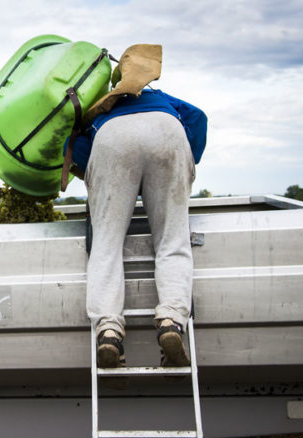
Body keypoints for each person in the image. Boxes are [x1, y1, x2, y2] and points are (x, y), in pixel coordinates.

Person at [64, 46, 207, 371]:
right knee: (172, 241)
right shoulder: (160, 96)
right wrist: (186, 164)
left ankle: (109, 331)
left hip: (112, 139)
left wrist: (104, 184)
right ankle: (171, 322)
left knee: (106, 245)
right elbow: (198, 118)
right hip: (166, 129)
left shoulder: (101, 107)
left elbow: (75, 150)